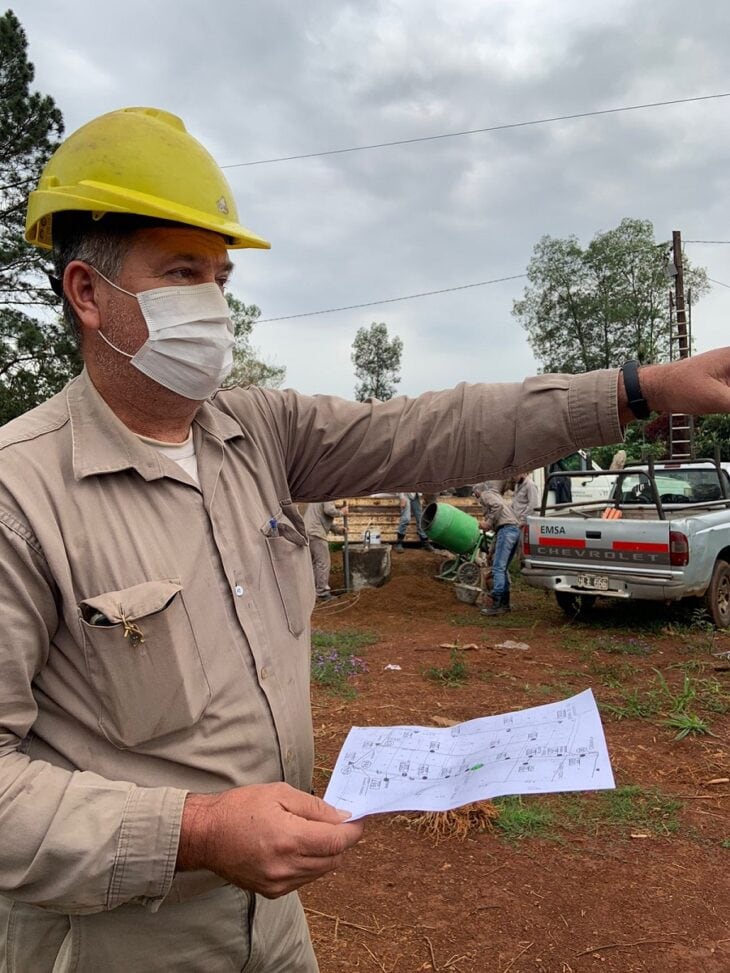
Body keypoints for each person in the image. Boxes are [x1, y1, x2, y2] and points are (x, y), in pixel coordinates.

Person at [4, 106, 730, 971]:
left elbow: (432, 430)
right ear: (88, 292)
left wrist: (635, 388)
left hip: (271, 925)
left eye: (222, 279)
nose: (213, 304)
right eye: (183, 272)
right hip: (117, 937)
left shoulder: (256, 433)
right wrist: (194, 831)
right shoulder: (21, 496)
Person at [473, 483, 522, 615]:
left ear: (477, 492)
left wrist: (487, 523)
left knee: (498, 568)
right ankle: (505, 604)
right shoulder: (496, 496)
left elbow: (498, 508)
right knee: (503, 568)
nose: (477, 499)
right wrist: (491, 551)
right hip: (513, 531)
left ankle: (496, 603)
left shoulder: (485, 495)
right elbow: (499, 529)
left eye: (475, 495)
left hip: (507, 531)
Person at [303, 500, 347, 600]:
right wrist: (342, 512)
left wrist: (339, 530)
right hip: (316, 533)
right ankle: (322, 593)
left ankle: (313, 591)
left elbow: (325, 519)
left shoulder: (319, 496)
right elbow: (329, 510)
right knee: (323, 563)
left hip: (309, 533)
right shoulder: (327, 495)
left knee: (316, 564)